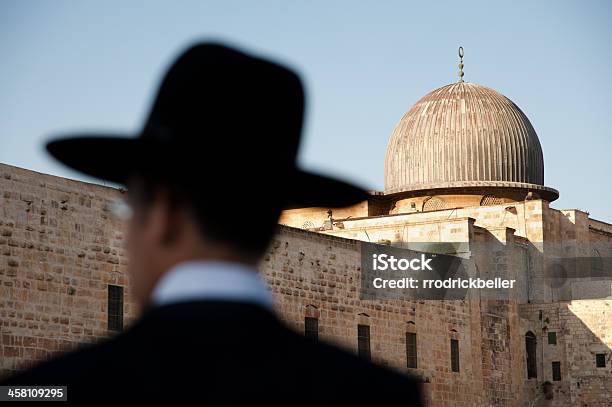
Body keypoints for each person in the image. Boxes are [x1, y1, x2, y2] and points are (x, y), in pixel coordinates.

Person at [2, 42, 423, 405]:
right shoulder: (377, 395)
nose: (127, 237)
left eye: (128, 213)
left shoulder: (46, 390)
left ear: (164, 213)